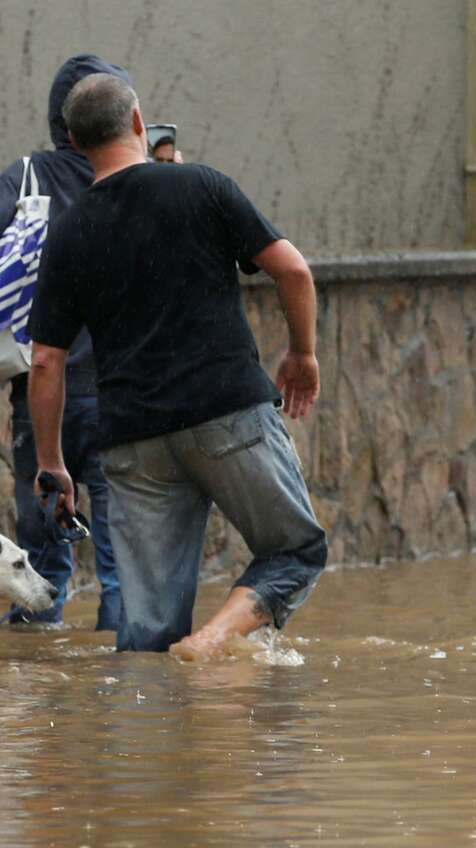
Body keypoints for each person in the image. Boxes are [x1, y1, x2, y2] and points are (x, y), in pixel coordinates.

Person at [26, 73, 328, 659]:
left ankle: (145, 747)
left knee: (146, 634)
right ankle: (216, 637)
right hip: (228, 414)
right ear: (139, 122)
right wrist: (302, 352)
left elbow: (45, 361)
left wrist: (51, 463)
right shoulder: (202, 186)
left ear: (76, 143)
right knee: (296, 551)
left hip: (133, 442)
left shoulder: (66, 233)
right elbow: (292, 271)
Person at [0, 54, 127, 630]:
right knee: (122, 554)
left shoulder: (27, 176)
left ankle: (43, 688)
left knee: (42, 553)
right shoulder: (133, 179)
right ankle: (125, 682)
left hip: (40, 389)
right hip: (120, 392)